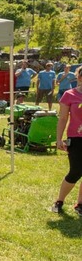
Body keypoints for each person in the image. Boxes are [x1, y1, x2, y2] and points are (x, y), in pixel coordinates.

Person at [50, 66, 82, 216]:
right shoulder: (69, 95)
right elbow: (63, 118)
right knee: (76, 171)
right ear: (79, 78)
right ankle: (59, 201)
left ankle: (80, 204)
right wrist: (58, 139)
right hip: (75, 138)